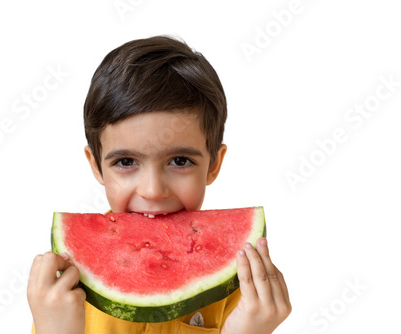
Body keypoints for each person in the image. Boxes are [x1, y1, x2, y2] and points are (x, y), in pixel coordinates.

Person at [27, 35, 291, 334]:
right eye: (126, 162)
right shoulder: (63, 291)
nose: (152, 191)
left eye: (179, 161)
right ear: (96, 165)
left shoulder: (242, 290)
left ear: (214, 165)